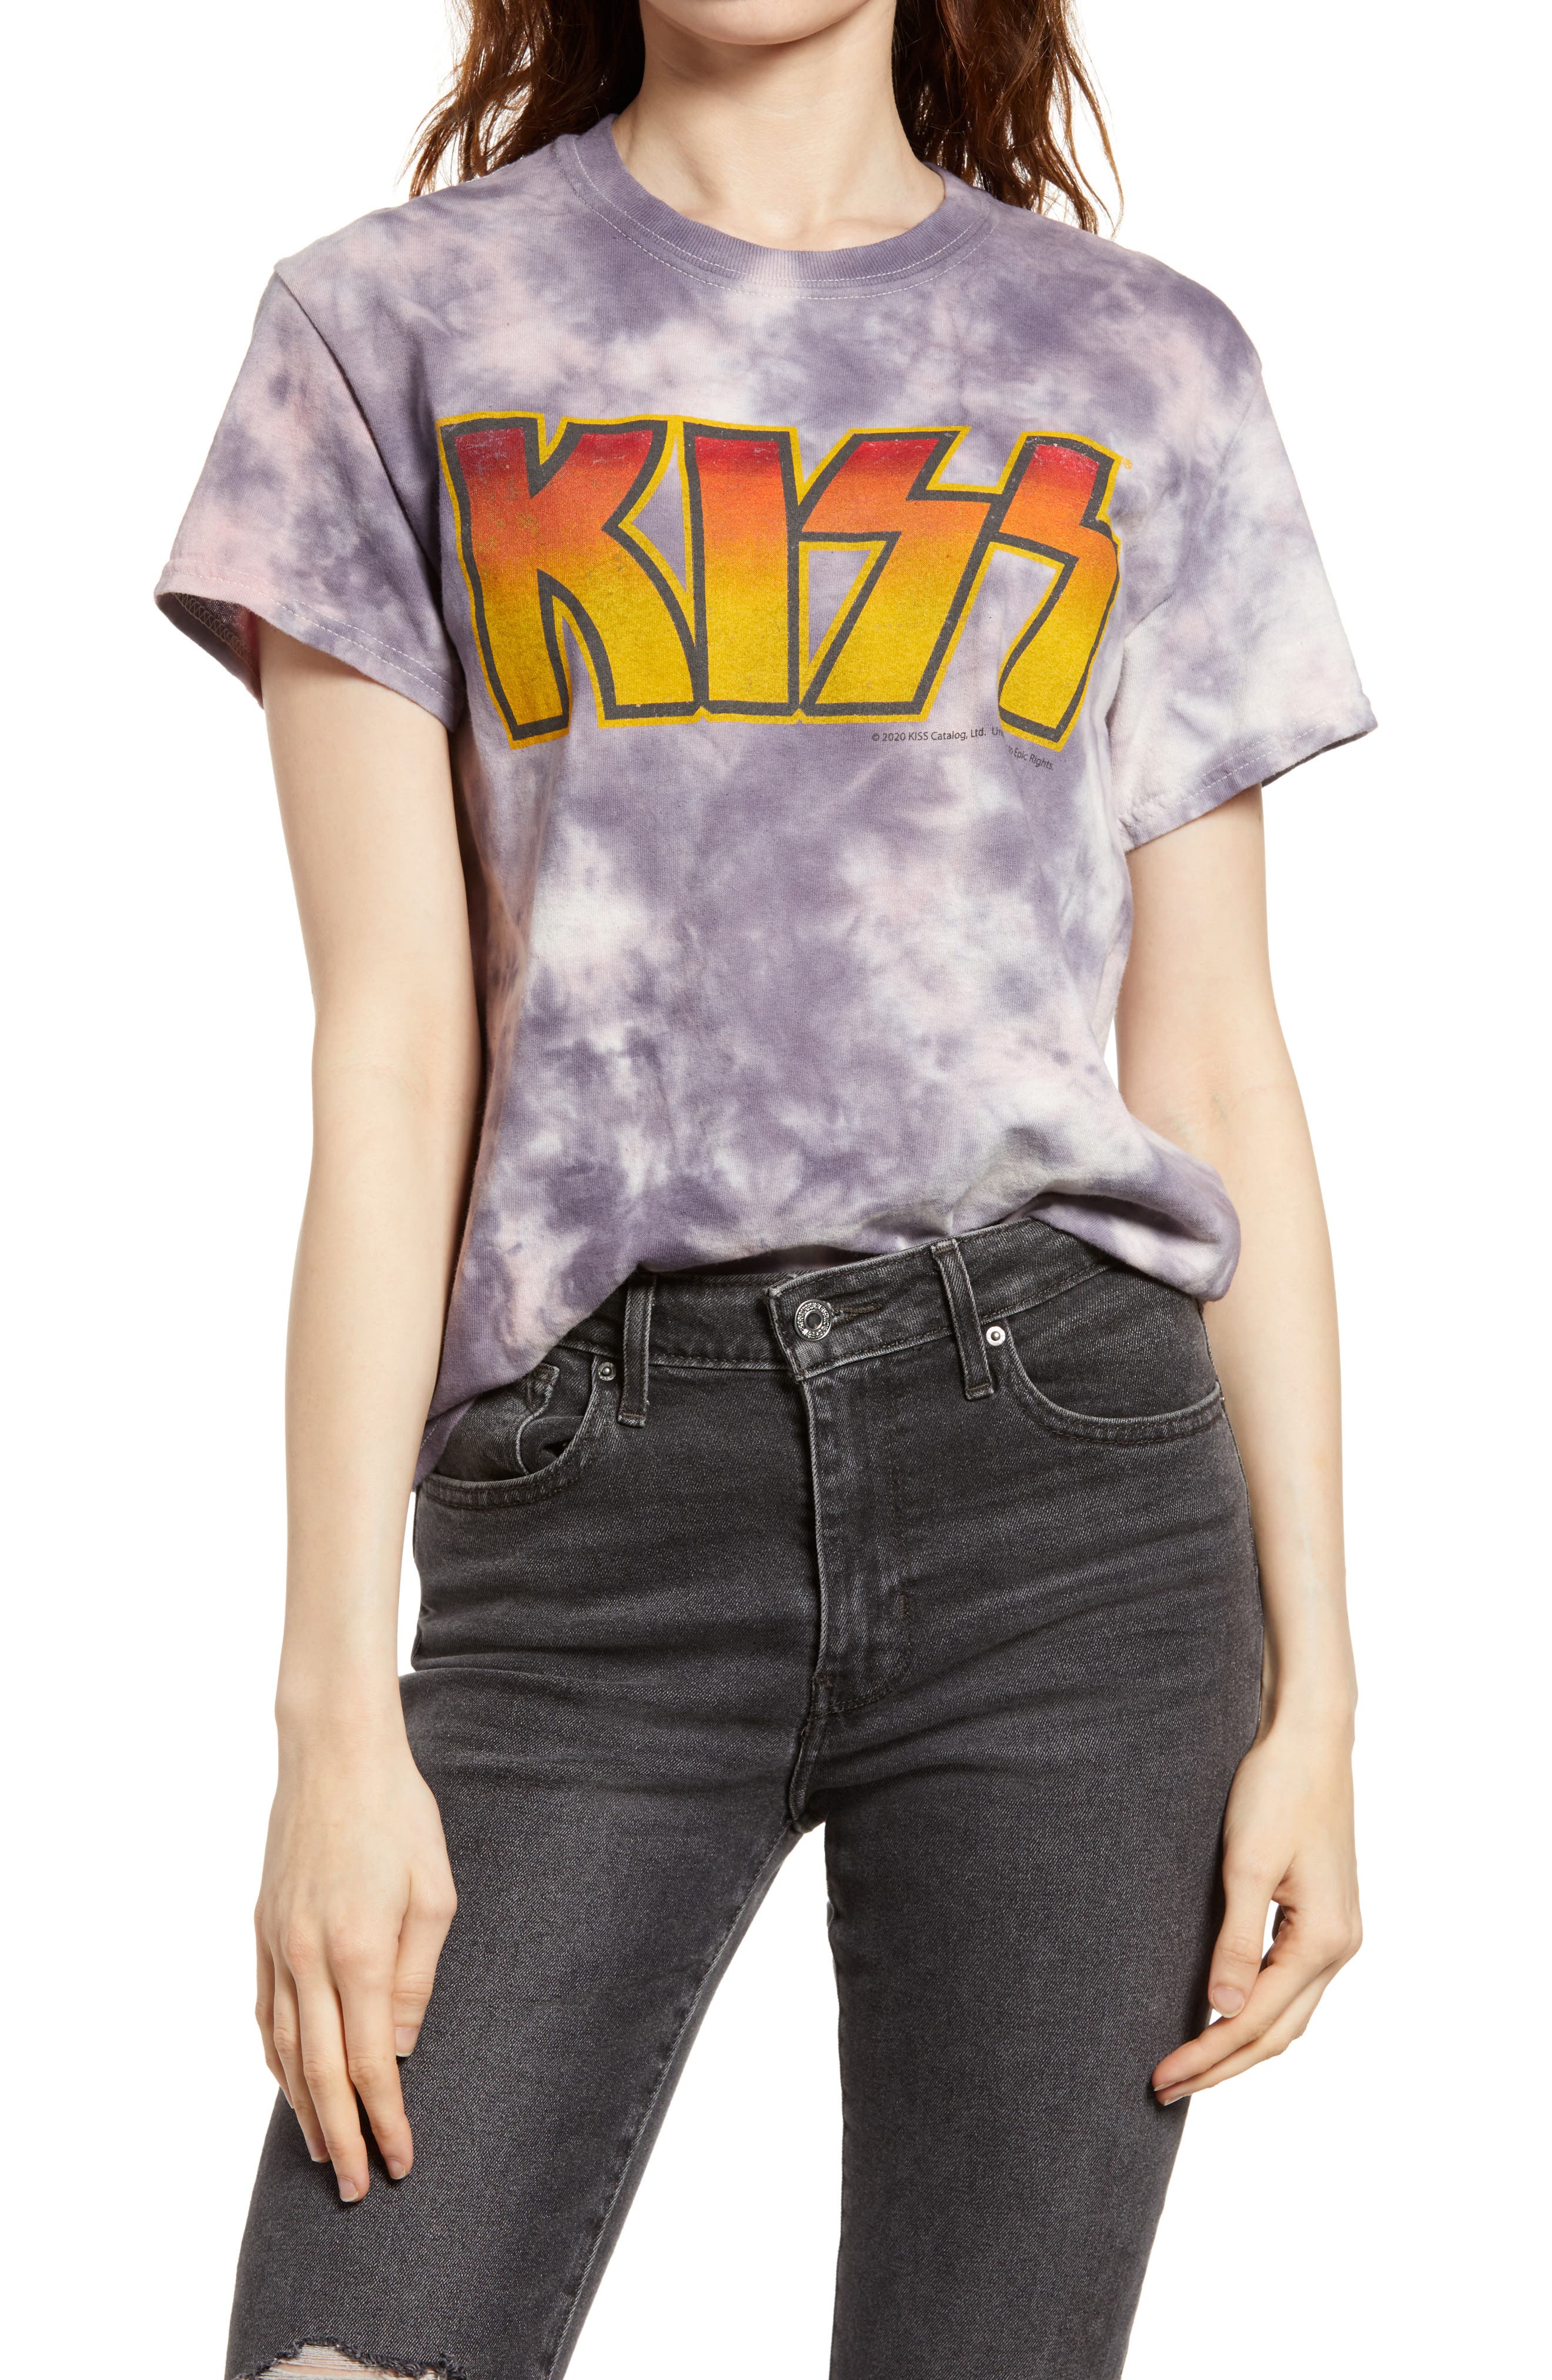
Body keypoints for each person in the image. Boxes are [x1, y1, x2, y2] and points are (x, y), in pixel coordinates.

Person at [156, 0, 1372, 2371]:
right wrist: (329, 1717)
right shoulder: (389, 330)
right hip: (590, 1528)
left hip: (1073, 1507)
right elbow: (391, 1054)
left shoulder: (1146, 365)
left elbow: (1217, 1050)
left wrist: (1321, 1687)